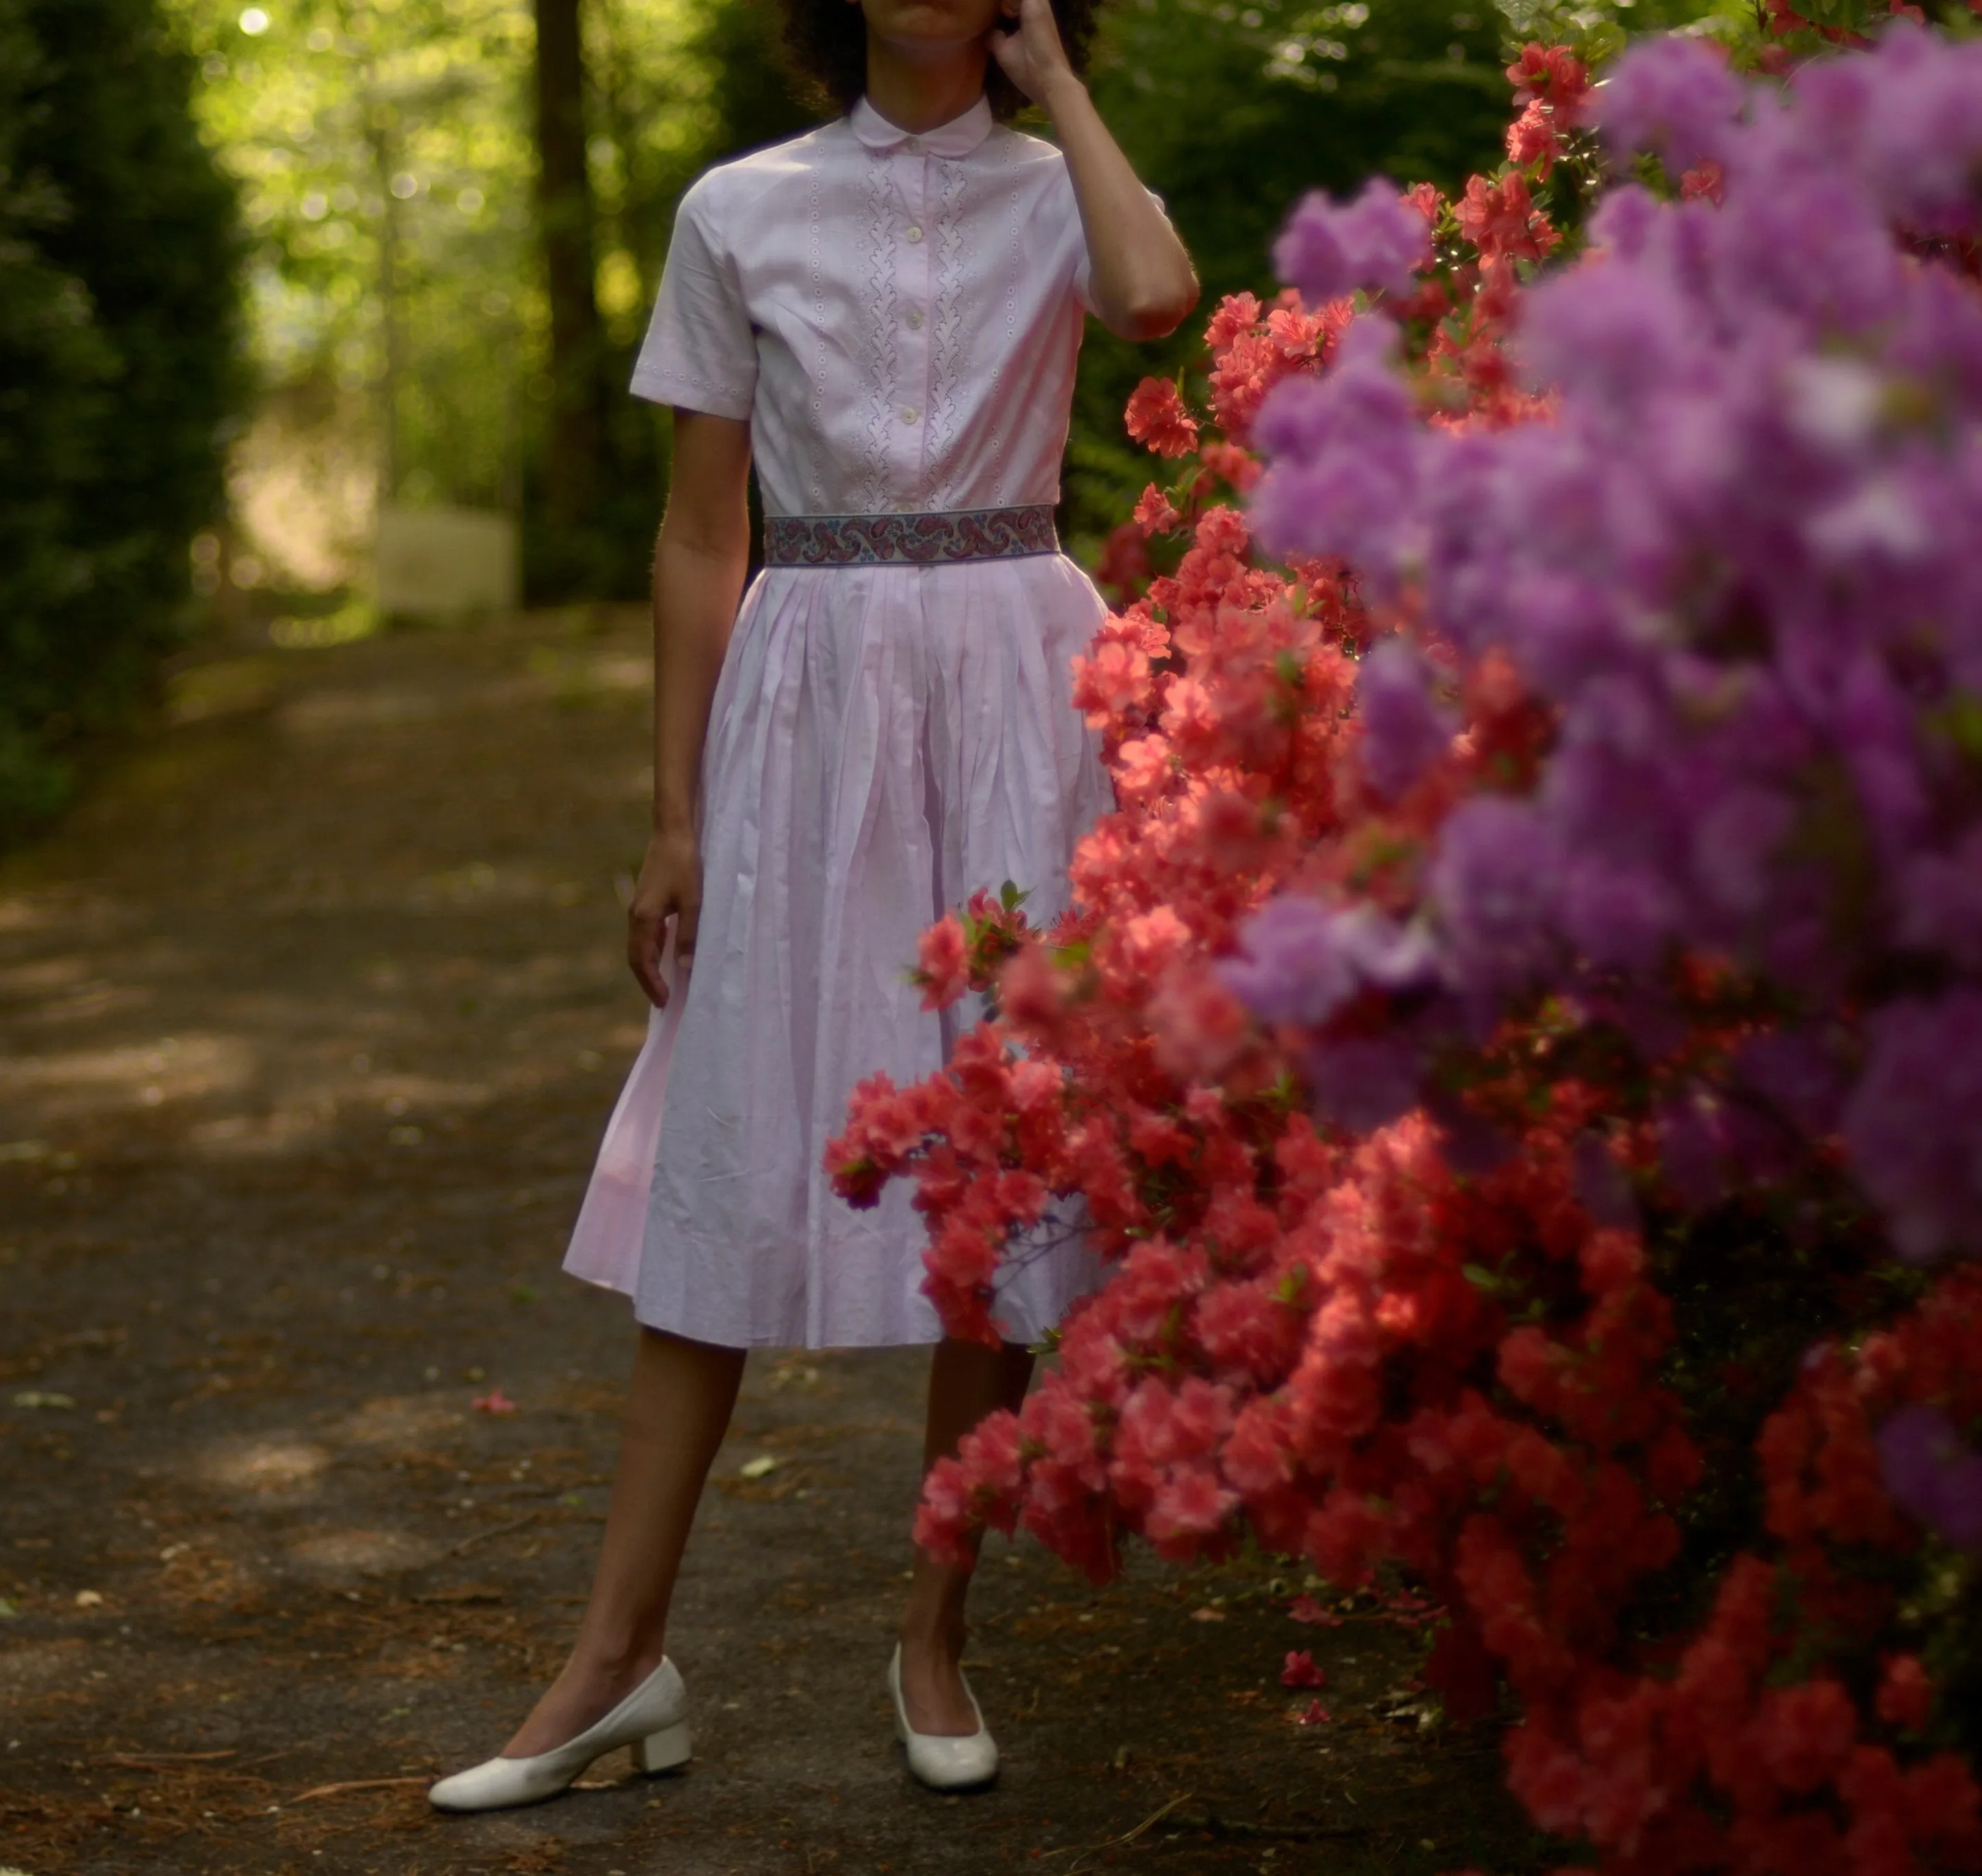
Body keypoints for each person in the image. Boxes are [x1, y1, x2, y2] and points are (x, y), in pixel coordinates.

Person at [428, 0, 1196, 1812]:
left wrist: (1061, 90)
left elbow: (1156, 296)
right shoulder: (737, 208)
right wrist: (671, 812)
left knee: (1000, 1152)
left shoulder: (1055, 188)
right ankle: (616, 1661)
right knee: (729, 1143)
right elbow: (701, 533)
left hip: (1018, 683)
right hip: (806, 699)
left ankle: (933, 1631)